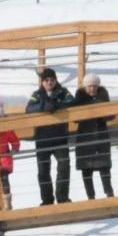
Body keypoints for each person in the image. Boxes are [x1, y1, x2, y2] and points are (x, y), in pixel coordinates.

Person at [26, 67, 73, 205]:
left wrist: (58, 105)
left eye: (52, 79)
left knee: (64, 167)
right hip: (42, 138)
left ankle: (62, 198)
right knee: (43, 171)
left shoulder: (63, 91)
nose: (49, 82)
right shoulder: (37, 94)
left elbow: (73, 102)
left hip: (60, 136)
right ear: (42, 82)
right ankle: (47, 200)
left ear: (56, 80)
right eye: (46, 80)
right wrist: (43, 106)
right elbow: (29, 109)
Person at [73, 72, 114, 199]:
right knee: (86, 169)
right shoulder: (79, 99)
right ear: (85, 87)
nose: (92, 89)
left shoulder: (103, 97)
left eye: (94, 86)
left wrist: (101, 112)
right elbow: (75, 118)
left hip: (101, 136)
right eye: (89, 86)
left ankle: (109, 193)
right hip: (84, 137)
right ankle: (90, 196)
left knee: (104, 167)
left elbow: (111, 115)